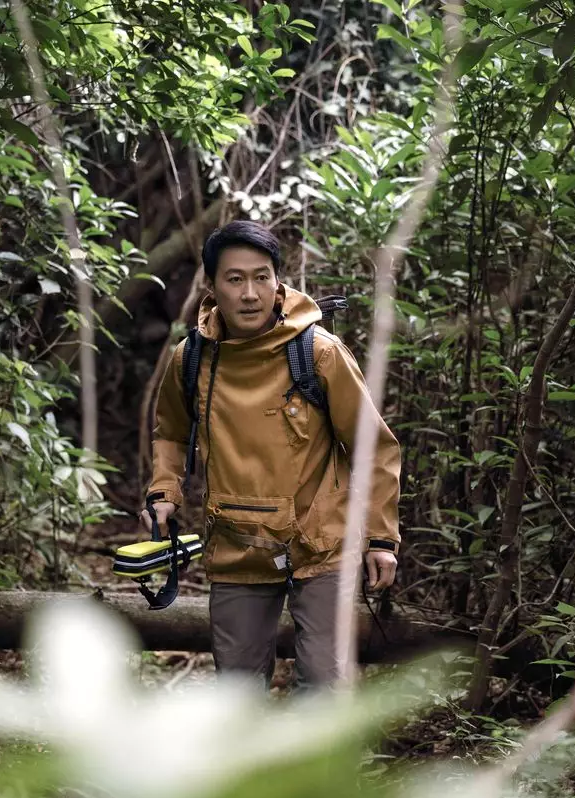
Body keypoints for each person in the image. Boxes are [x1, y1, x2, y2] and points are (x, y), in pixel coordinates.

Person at [140, 219, 402, 691]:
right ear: (211, 285)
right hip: (237, 545)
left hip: (321, 544)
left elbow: (374, 447)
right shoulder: (191, 358)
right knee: (237, 690)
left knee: (324, 686)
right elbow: (171, 434)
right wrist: (164, 491)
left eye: (262, 277)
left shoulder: (319, 353)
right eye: (234, 279)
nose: (250, 294)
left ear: (278, 281)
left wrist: (381, 538)